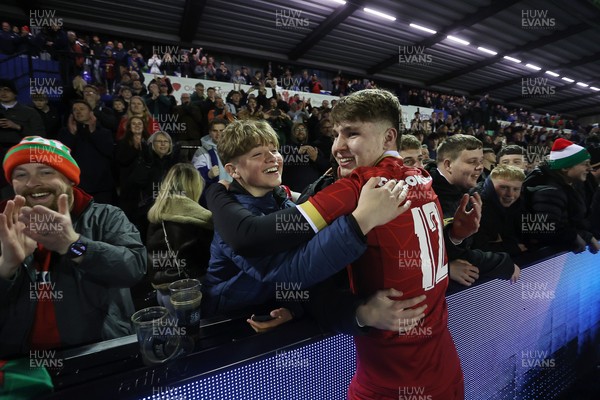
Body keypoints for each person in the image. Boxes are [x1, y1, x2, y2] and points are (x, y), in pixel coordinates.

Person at [205, 90, 484, 399]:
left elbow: (259, 240)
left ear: (389, 137)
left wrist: (213, 192)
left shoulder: (361, 186)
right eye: (337, 133)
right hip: (444, 368)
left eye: (352, 134)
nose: (337, 146)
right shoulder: (421, 178)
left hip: (389, 382)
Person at [201, 118, 411, 319]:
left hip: (269, 306)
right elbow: (286, 273)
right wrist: (360, 221)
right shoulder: (229, 222)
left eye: (274, 150)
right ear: (233, 171)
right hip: (231, 318)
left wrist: (294, 308)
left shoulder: (280, 200)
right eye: (257, 154)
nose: (272, 158)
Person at [0, 136, 146, 357]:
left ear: (69, 179)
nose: (32, 183)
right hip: (20, 365)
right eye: (21, 175)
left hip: (97, 355)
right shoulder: (4, 225)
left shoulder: (106, 217)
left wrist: (73, 245)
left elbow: (134, 268)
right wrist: (6, 268)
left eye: (45, 172)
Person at [145, 163, 213, 306]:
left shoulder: (157, 213)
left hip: (162, 292)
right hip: (189, 291)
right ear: (193, 185)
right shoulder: (202, 218)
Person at [521, 138, 600, 253]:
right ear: (565, 167)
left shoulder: (568, 184)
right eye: (585, 164)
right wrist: (579, 236)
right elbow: (546, 230)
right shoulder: (549, 191)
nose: (589, 168)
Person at [471, 165, 527, 257]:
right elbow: (476, 250)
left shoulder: (518, 204)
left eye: (516, 189)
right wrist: (512, 248)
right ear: (491, 186)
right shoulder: (477, 207)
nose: (510, 194)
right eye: (504, 187)